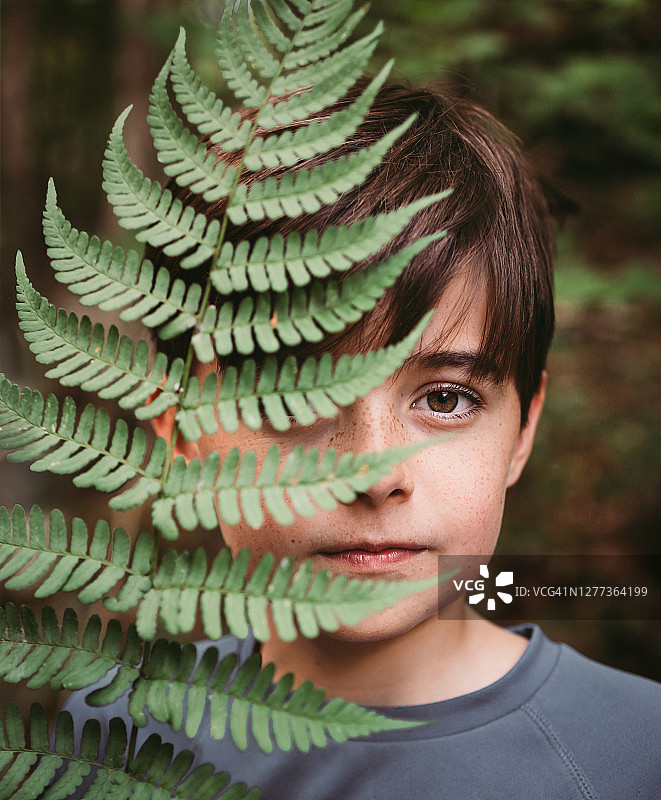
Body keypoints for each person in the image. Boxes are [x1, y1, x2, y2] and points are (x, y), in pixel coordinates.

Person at [63, 81, 661, 798]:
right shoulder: (110, 737)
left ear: (522, 430)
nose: (374, 474)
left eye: (445, 398)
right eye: (290, 399)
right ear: (179, 434)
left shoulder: (635, 752)